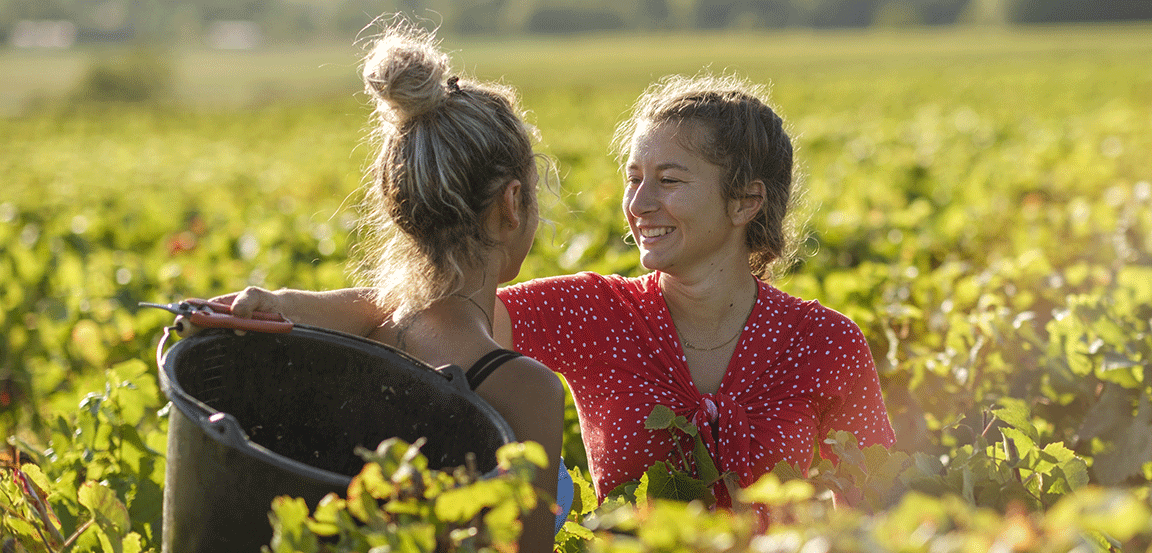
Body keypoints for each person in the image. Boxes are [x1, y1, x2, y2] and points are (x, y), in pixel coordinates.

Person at [225, 74, 895, 509]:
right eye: (633, 178)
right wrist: (285, 304)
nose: (639, 202)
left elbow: (877, 506)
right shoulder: (594, 311)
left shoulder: (826, 341)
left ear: (747, 200)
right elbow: (436, 307)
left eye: (668, 179)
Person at [213, 24, 568, 551]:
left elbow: (381, 305)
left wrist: (283, 304)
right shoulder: (525, 389)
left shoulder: (363, 334)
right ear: (512, 204)